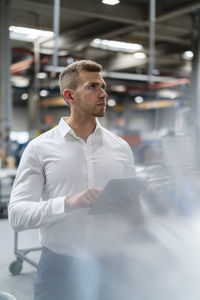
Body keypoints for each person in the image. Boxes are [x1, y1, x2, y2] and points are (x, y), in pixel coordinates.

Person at [8, 60, 135, 300]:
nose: (103, 93)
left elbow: (135, 213)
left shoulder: (121, 148)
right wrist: (68, 203)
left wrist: (138, 211)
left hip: (112, 268)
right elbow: (16, 215)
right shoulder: (39, 148)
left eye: (103, 86)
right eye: (93, 87)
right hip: (59, 270)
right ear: (70, 96)